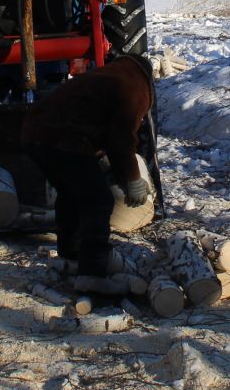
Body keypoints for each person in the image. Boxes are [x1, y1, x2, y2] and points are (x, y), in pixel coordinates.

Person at [21, 55, 154, 278]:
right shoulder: (134, 86)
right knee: (99, 201)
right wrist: (132, 179)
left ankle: (70, 256)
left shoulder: (108, 76)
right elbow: (121, 138)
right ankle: (94, 271)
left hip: (33, 132)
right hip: (65, 138)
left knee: (71, 194)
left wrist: (121, 176)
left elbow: (105, 130)